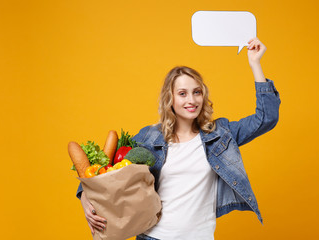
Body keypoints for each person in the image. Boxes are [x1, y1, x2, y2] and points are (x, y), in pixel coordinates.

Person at [76, 37, 281, 239]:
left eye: (197, 92)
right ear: (170, 99)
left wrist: (255, 63)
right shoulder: (150, 137)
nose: (191, 100)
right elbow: (105, 174)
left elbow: (266, 118)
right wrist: (86, 199)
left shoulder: (220, 134)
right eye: (182, 93)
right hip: (154, 236)